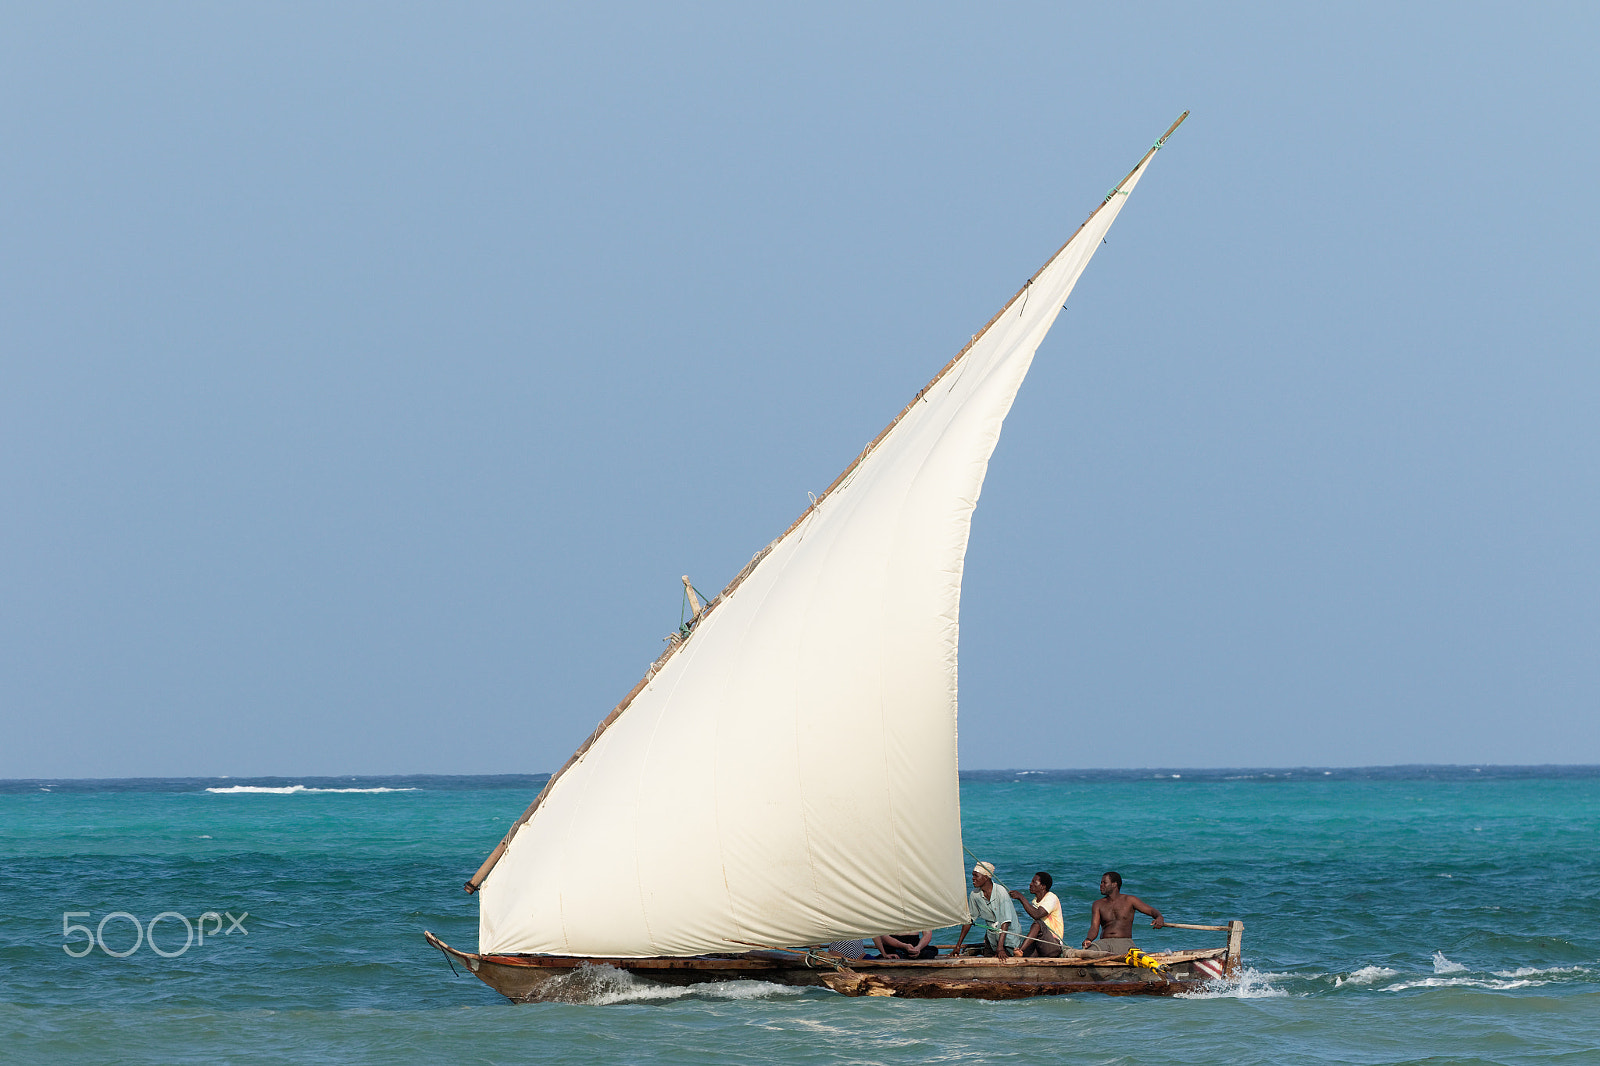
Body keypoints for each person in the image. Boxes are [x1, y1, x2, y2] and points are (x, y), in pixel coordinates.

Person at [1061, 871, 1164, 957]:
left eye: (1104, 883)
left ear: (1114, 884)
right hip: (1104, 943)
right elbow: (1094, 928)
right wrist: (1088, 939)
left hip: (1124, 942)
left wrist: (1159, 917)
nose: (1101, 885)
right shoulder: (1098, 904)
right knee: (1087, 954)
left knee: (1124, 958)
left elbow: (1151, 911)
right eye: (1101, 882)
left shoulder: (1130, 900)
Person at [951, 861, 1019, 957]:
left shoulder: (1001, 892)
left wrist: (1000, 948)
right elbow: (969, 920)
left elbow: (1005, 922)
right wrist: (958, 946)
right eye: (972, 875)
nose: (973, 878)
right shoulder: (975, 895)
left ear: (986, 877)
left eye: (976, 876)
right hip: (992, 938)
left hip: (1009, 938)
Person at [1008, 871, 1064, 957]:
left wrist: (1021, 897)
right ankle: (1019, 953)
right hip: (1040, 943)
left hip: (1053, 945)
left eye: (1034, 882)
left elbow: (1037, 915)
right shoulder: (1034, 901)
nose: (1030, 884)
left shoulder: (1051, 897)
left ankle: (1020, 951)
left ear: (1043, 886)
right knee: (1024, 956)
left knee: (1038, 924)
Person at [873, 930, 937, 959]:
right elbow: (882, 936)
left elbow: (927, 933)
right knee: (897, 955)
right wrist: (904, 945)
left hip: (915, 943)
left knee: (930, 952)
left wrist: (918, 947)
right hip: (894, 944)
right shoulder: (888, 908)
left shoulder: (918, 910)